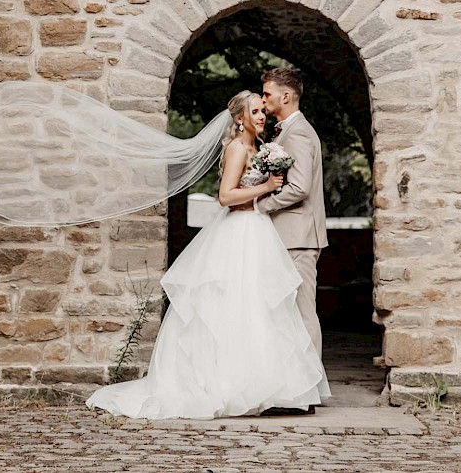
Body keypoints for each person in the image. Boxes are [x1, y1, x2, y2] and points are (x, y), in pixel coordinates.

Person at [85, 91, 330, 419]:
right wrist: (266, 188)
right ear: (240, 118)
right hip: (239, 231)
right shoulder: (236, 148)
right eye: (255, 111)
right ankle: (225, 384)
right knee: (232, 306)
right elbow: (226, 196)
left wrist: (265, 187)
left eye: (262, 110)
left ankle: (267, 388)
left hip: (257, 231)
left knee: (262, 308)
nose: (261, 116)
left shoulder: (259, 148)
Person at [258, 68, 328, 372]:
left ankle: (311, 384)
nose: (263, 100)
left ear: (285, 96)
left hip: (298, 237)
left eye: (267, 94)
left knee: (302, 312)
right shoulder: (285, 131)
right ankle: (293, 382)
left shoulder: (298, 131)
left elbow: (299, 188)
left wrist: (262, 206)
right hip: (289, 236)